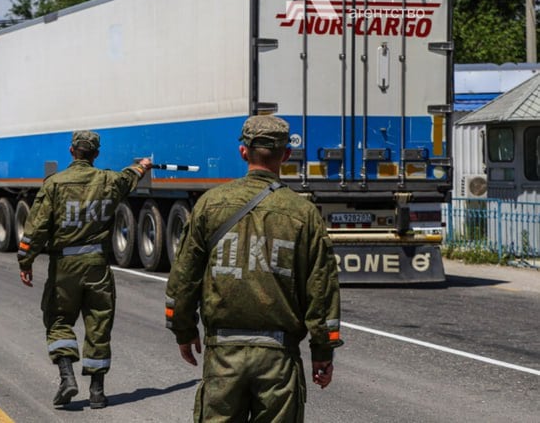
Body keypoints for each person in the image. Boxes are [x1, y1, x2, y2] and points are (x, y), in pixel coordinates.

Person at [165, 115, 343, 422]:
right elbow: (321, 291)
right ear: (286, 156)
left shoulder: (210, 204)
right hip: (278, 358)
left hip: (223, 356)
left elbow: (184, 278)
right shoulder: (304, 214)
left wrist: (183, 329)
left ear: (243, 152)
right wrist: (322, 353)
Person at [17, 130, 152, 410]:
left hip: (64, 266)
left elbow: (37, 226)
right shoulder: (109, 181)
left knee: (58, 320)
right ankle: (98, 392)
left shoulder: (54, 184)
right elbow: (129, 176)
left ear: (71, 151)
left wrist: (25, 260)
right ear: (96, 154)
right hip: (97, 266)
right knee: (99, 323)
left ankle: (67, 377)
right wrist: (142, 166)